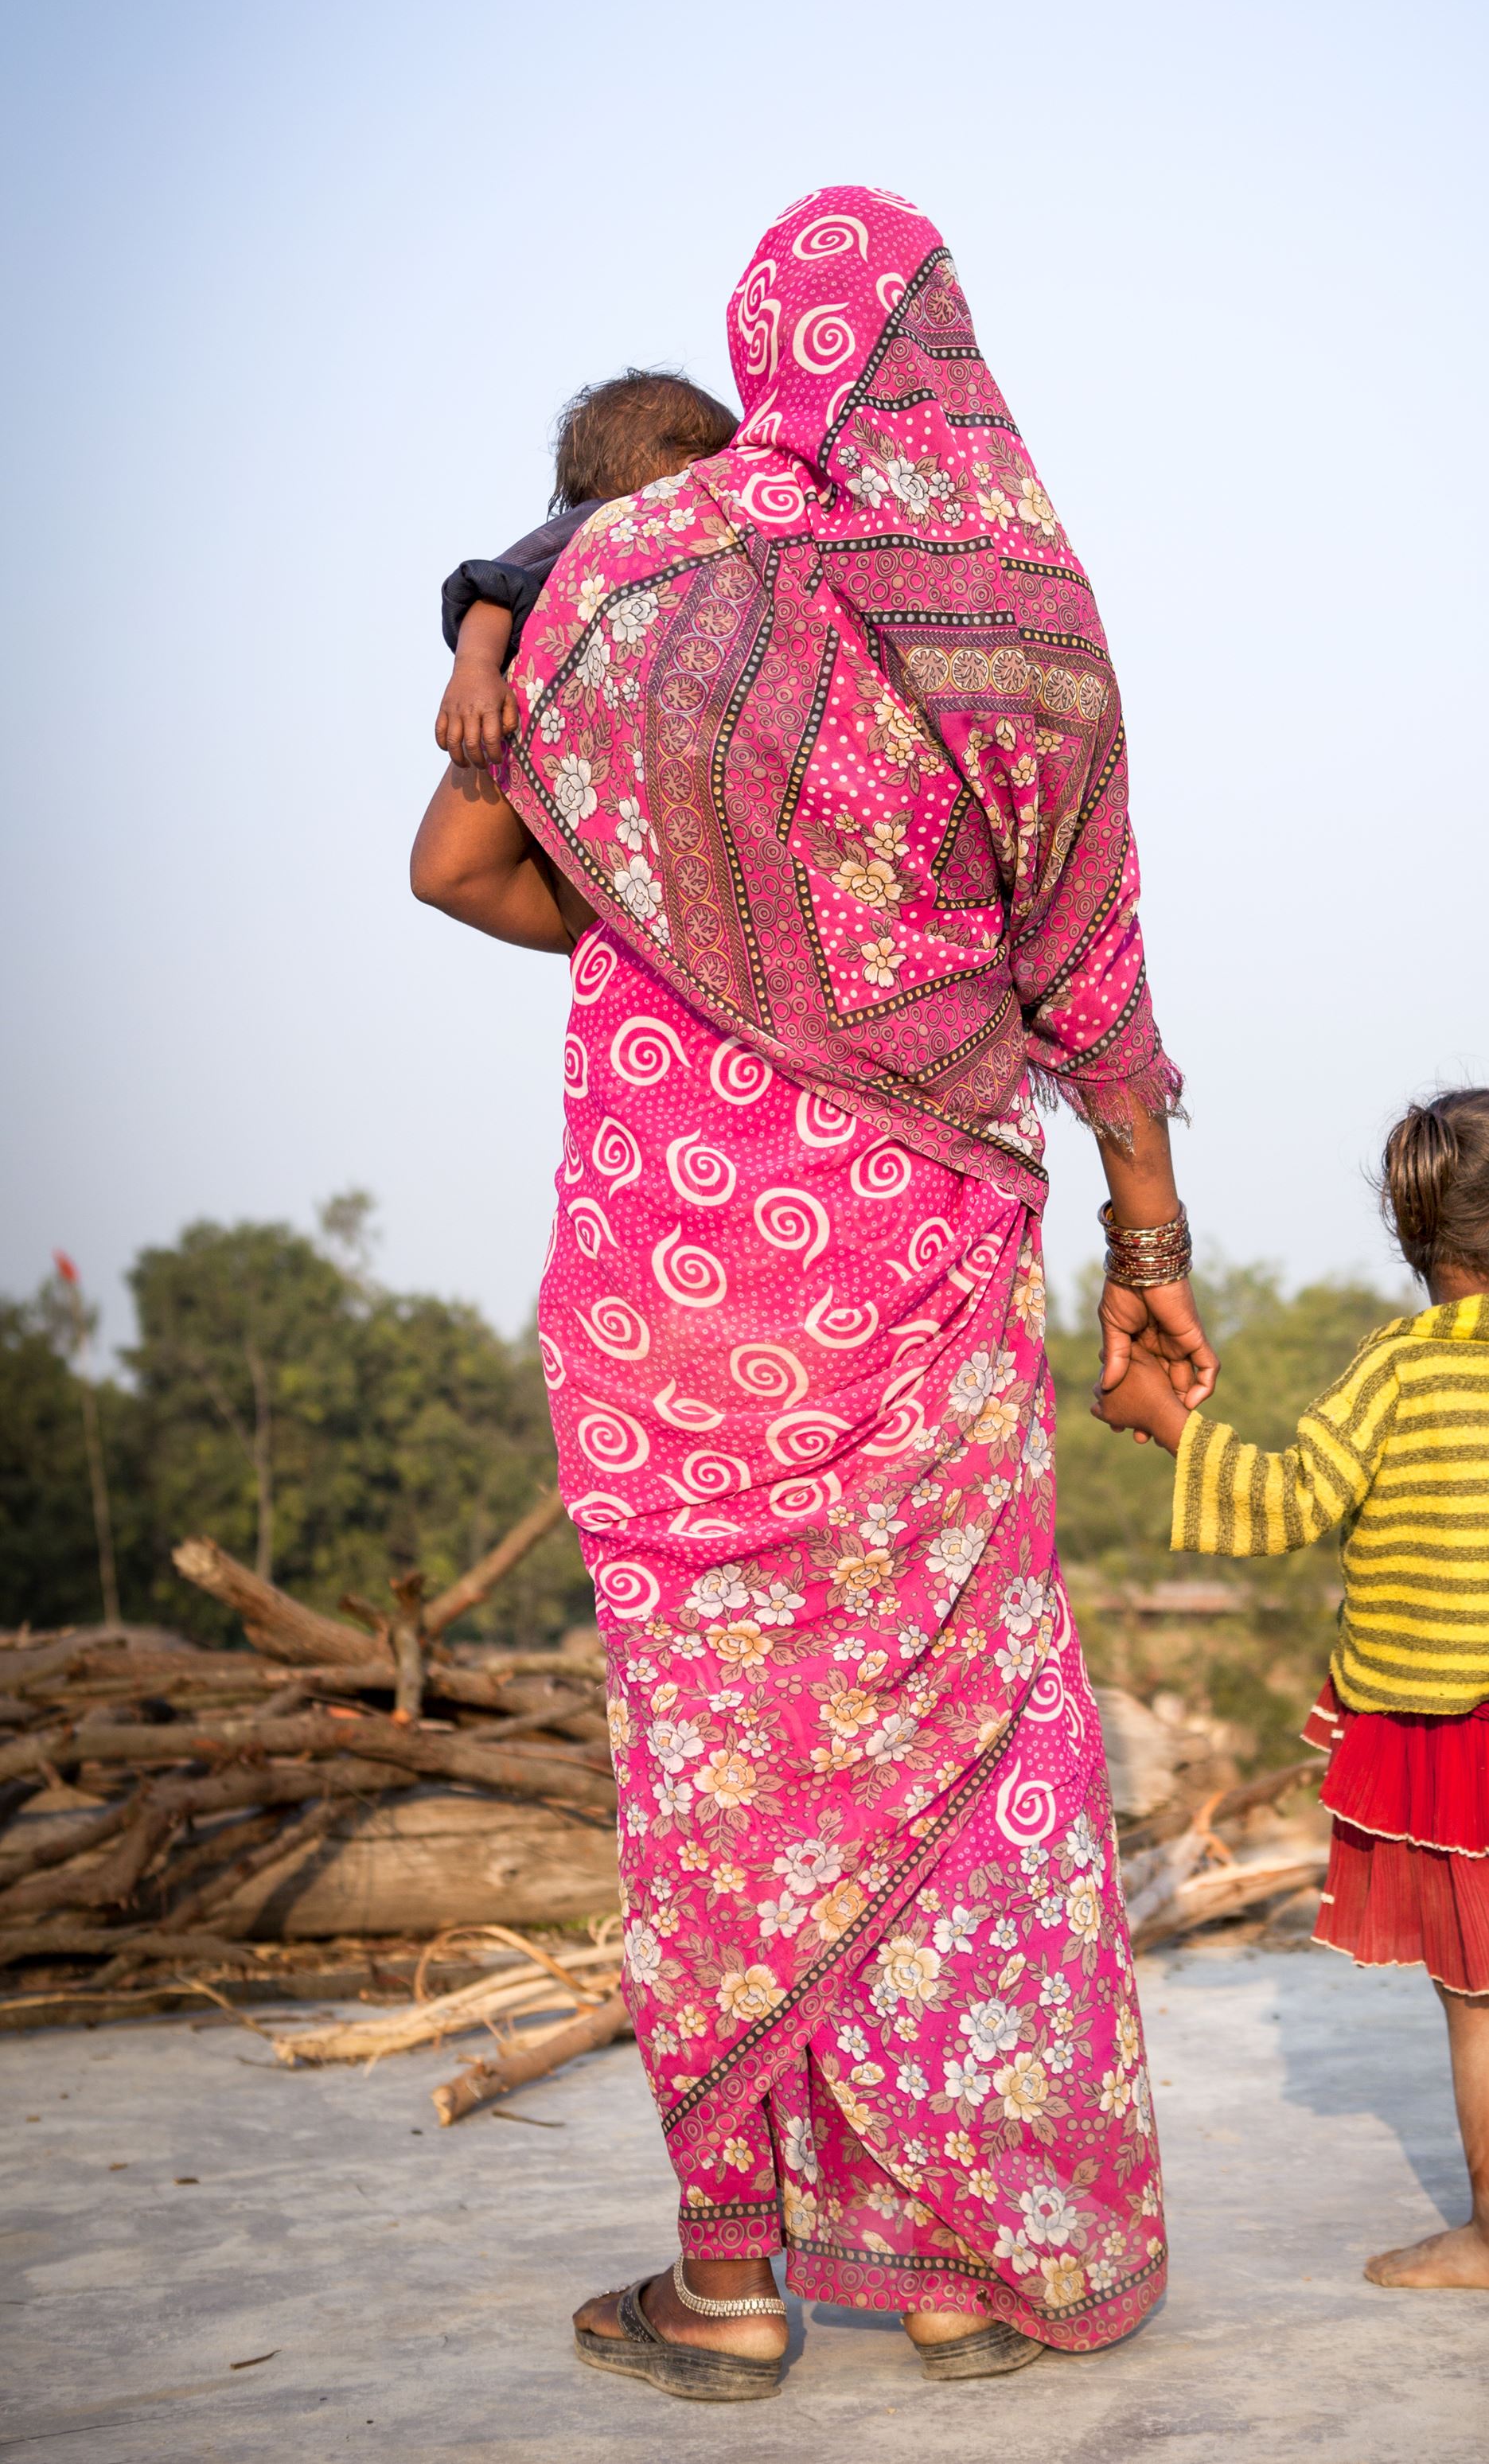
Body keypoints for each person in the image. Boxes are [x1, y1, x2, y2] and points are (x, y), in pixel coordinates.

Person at [410, 186, 1214, 2400]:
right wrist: (1146, 1258)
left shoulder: (656, 580)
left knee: (723, 1771)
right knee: (961, 1765)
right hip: (935, 1283)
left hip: (680, 1322)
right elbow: (1099, 972)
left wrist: (496, 633)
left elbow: (461, 822)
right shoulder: (1037, 623)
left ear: (768, 352)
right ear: (944, 344)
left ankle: (733, 2276)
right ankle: (968, 2262)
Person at [1095, 1085, 1489, 2294]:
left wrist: (1168, 1423)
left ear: (1424, 1239)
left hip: (1443, 1744)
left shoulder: (1399, 1370)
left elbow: (1290, 1498)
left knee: (1477, 1998)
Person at [434, 367, 739, 774]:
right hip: (528, 737)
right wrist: (476, 669)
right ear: (691, 469)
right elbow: (495, 586)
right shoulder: (601, 522)